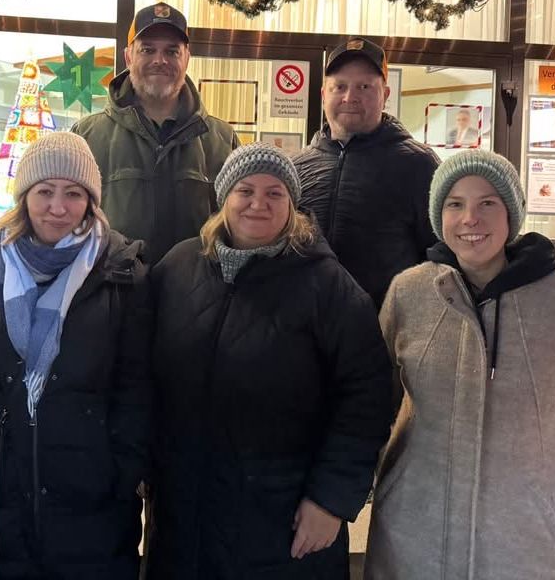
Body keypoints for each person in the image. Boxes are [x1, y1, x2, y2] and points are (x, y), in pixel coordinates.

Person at [364, 150, 555, 580]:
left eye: (487, 203)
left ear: (511, 213)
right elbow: (373, 401)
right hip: (415, 537)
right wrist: (391, 480)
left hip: (531, 548)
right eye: (455, 204)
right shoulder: (409, 294)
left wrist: (554, 496)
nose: (470, 219)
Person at [147, 143, 392, 580]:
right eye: (245, 190)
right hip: (184, 520)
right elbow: (144, 378)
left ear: (293, 205)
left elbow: (366, 400)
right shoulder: (177, 269)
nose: (258, 203)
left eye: (275, 193)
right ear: (224, 198)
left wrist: (331, 500)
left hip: (284, 524)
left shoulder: (329, 286)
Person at [0, 131, 152, 579]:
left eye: (73, 194)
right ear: (24, 196)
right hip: (1, 491)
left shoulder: (122, 273)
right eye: (44, 192)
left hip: (92, 501)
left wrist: (119, 474)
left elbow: (139, 387)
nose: (57, 207)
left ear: (91, 200)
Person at [73, 2, 238, 262]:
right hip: (113, 296)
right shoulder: (86, 136)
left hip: (196, 298)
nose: (159, 61)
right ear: (128, 57)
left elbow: (236, 230)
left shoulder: (222, 139)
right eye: (147, 50)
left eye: (172, 51)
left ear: (186, 58)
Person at [293, 37, 439, 308]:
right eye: (340, 86)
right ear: (324, 94)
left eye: (364, 86)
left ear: (385, 94)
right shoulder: (297, 166)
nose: (350, 97)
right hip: (304, 333)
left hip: (385, 332)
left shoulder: (419, 165)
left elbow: (439, 256)